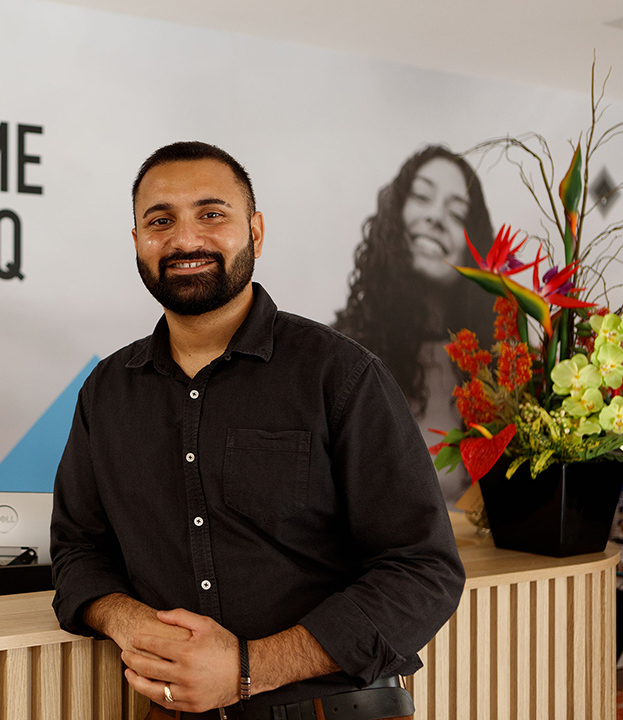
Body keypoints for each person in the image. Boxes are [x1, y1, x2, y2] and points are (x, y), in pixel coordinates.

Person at [50, 141, 464, 719]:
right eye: (160, 220)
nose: (186, 240)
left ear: (256, 232)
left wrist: (248, 669)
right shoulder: (107, 392)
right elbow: (78, 551)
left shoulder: (340, 375)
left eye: (212, 214)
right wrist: (128, 619)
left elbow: (424, 570)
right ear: (139, 240)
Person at [333, 146, 496, 505]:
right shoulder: (340, 355)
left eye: (457, 214)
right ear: (396, 214)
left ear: (473, 249)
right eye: (421, 196)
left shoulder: (494, 370)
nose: (435, 217)